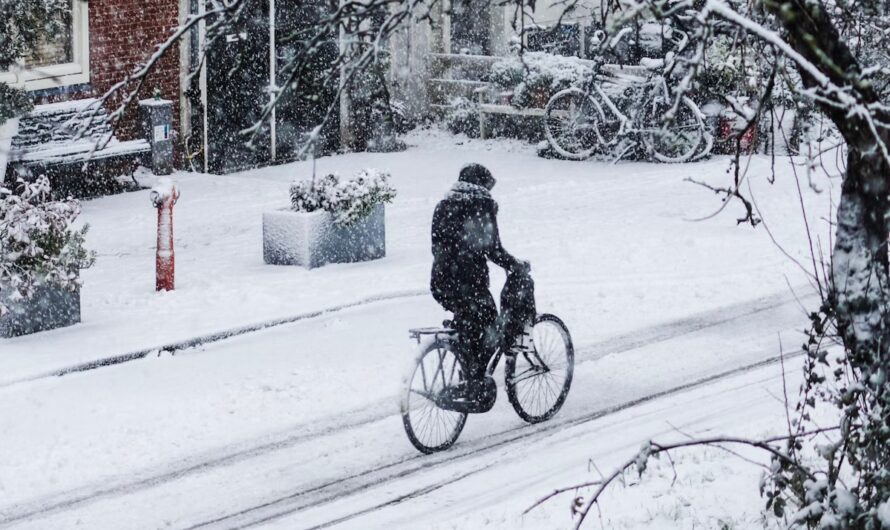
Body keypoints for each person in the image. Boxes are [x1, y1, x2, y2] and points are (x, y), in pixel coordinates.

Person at [430, 163, 528, 404]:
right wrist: (515, 264)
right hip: (468, 282)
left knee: (469, 324)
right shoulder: (480, 204)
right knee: (491, 327)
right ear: (483, 184)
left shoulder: (443, 205)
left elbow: (437, 245)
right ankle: (473, 380)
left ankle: (467, 371)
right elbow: (492, 248)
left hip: (441, 281)